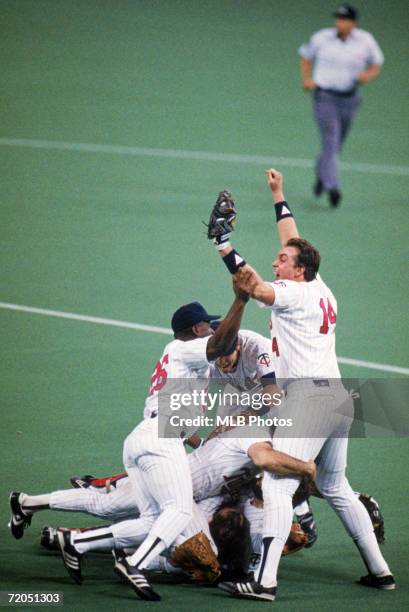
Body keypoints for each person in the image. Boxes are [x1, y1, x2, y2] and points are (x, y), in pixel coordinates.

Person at [208, 170, 395, 601]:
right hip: (339, 398)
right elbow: (295, 240)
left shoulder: (292, 294)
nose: (276, 263)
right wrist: (279, 196)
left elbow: (252, 286)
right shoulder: (320, 286)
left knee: (276, 482)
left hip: (309, 399)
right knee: (335, 487)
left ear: (298, 271)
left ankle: (264, 581)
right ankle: (380, 570)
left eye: (282, 261)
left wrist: (224, 245)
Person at [299, 3, 384, 206]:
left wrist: (367, 76)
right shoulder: (322, 38)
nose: (340, 22)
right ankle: (333, 187)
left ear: (353, 23)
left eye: (344, 19)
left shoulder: (365, 41)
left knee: (337, 144)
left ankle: (322, 174)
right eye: (338, 18)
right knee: (330, 138)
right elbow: (305, 55)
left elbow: (377, 63)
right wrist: (306, 79)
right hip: (324, 96)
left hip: (350, 98)